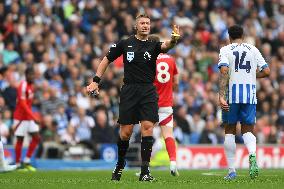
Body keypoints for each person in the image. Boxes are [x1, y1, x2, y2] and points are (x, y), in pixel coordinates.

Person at [86, 14, 180, 182]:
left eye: (148, 23)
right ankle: (120, 163)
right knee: (125, 133)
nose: (145, 26)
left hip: (148, 91)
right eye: (142, 23)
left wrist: (174, 40)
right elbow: (106, 60)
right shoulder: (125, 43)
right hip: (129, 90)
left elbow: (167, 45)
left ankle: (145, 171)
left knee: (148, 127)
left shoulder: (153, 44)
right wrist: (95, 81)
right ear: (136, 26)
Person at [218, 25, 270, 180]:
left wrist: (221, 95)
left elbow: (224, 71)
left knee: (229, 131)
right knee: (247, 130)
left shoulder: (225, 50)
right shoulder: (253, 49)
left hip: (231, 96)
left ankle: (232, 171)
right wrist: (252, 76)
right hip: (249, 96)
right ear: (243, 34)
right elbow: (266, 71)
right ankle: (252, 155)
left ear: (229, 36)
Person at [12, 67, 40, 171]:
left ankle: (27, 160)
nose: (32, 77)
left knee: (37, 138)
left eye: (33, 75)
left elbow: (29, 103)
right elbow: (23, 104)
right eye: (31, 75)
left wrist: (32, 116)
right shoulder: (22, 86)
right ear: (26, 75)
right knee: (20, 140)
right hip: (20, 118)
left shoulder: (31, 86)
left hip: (28, 117)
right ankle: (18, 164)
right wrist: (34, 116)